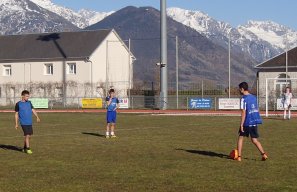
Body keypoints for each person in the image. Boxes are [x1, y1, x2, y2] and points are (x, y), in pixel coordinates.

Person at [236, 82, 268, 161]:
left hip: (247, 122)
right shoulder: (254, 97)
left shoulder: (243, 99)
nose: (239, 90)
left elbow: (244, 112)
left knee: (241, 138)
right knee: (254, 140)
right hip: (254, 122)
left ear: (242, 89)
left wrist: (241, 124)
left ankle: (239, 157)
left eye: (239, 89)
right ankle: (264, 154)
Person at [15, 90, 40, 154]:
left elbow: (33, 110)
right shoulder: (18, 104)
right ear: (22, 96)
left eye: (28, 96)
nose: (27, 97)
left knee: (29, 136)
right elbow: (16, 114)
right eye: (26, 96)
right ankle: (28, 149)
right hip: (23, 122)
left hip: (29, 122)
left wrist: (37, 117)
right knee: (27, 135)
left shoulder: (29, 103)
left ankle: (24, 148)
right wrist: (16, 124)